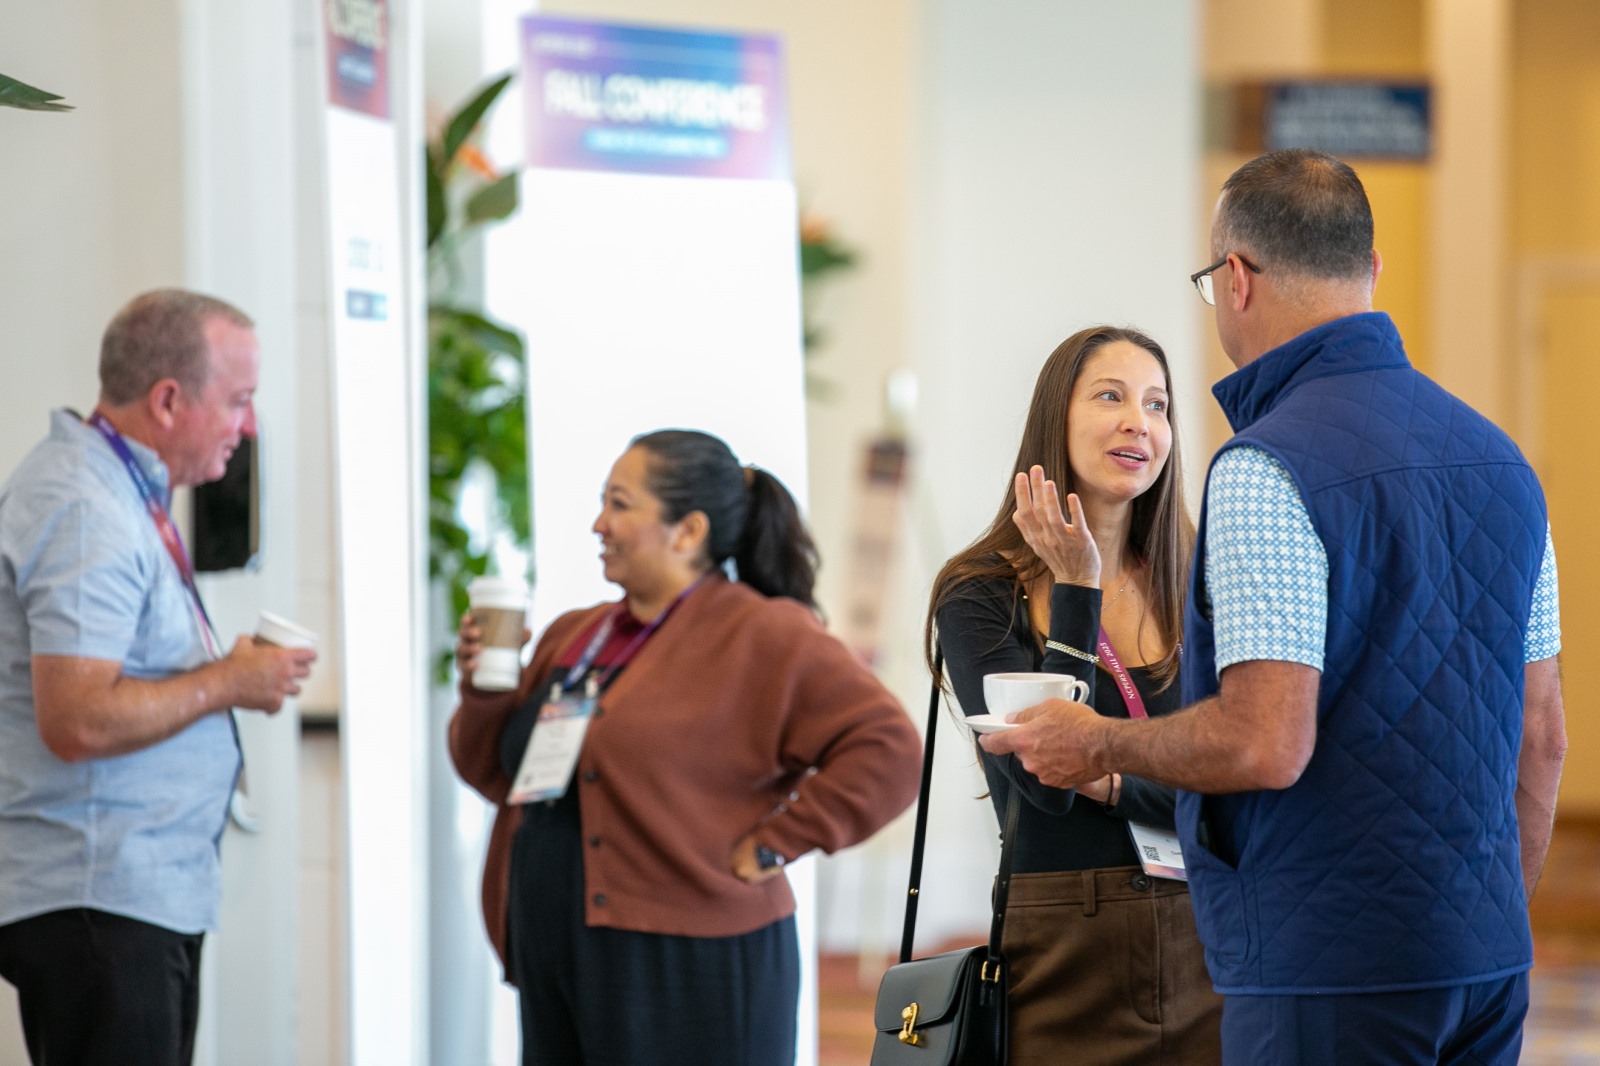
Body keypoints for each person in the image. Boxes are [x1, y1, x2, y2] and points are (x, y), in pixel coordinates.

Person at [982, 148, 1567, 1065]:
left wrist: (1094, 742)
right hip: (1487, 966)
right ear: (1371, 271)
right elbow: (1543, 737)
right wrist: (1483, 923)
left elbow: (1264, 741)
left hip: (1325, 971)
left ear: (1238, 280)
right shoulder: (1506, 465)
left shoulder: (1265, 465)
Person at [449, 428, 921, 1065]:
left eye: (619, 504)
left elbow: (889, 748)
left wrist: (776, 842)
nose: (598, 524)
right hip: (553, 948)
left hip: (686, 964)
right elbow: (492, 771)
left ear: (688, 530)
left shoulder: (764, 634)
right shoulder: (575, 635)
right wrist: (483, 690)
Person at [0, 289, 318, 1066]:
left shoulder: (121, 492)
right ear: (170, 400)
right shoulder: (85, 504)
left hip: (127, 895)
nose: (249, 426)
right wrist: (229, 682)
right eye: (239, 401)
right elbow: (76, 717)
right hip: (97, 895)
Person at [927, 325, 1221, 1064]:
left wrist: (1107, 774)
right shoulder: (980, 592)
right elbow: (1043, 790)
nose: (1139, 423)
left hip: (1210, 930)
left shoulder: (1198, 587)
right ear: (1055, 419)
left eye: (1158, 405)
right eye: (1111, 397)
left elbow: (1234, 779)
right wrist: (1078, 590)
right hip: (1065, 931)